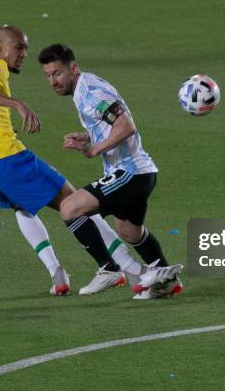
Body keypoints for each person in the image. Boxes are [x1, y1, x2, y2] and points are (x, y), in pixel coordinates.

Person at [0, 26, 147, 296]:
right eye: (18, 47)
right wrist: (18, 104)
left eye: (25, 48)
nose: (23, 54)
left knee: (22, 207)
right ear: (0, 47)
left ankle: (57, 274)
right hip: (5, 160)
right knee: (76, 203)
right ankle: (125, 268)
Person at [38, 43, 184, 299]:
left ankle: (109, 269)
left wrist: (95, 150)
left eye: (57, 73)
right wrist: (89, 138)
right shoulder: (87, 86)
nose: (53, 81)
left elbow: (126, 126)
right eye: (48, 75)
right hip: (141, 172)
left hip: (130, 172)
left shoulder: (90, 94)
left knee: (70, 207)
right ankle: (166, 279)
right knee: (128, 231)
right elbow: (112, 123)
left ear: (73, 68)